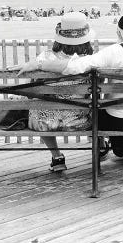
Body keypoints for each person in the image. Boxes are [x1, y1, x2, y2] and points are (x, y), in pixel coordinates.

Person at [19, 13, 123, 165]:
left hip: (114, 122)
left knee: (109, 111)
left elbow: (73, 67)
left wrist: (38, 65)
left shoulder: (111, 52)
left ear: (118, 33)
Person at [24, 12, 97, 172]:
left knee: (39, 109)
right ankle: (100, 147)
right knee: (97, 109)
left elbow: (32, 90)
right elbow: (99, 90)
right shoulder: (91, 60)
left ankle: (57, 156)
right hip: (81, 121)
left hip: (44, 123)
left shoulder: (45, 58)